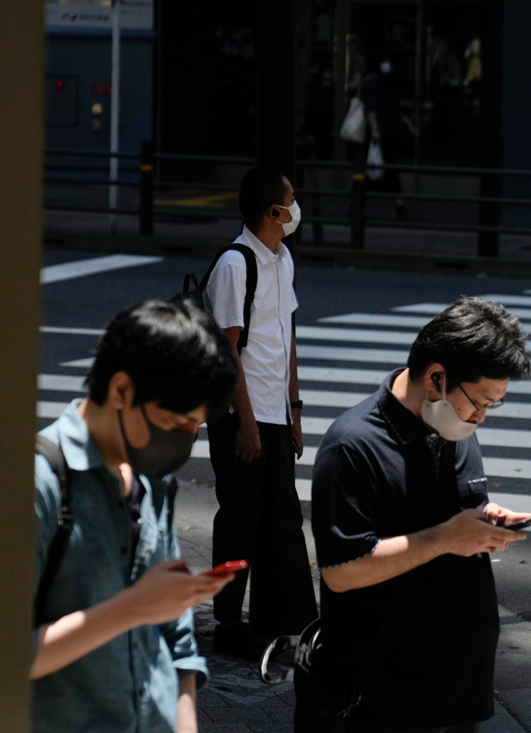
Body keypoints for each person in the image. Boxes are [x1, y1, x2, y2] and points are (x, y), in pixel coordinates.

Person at [296, 297, 531, 733]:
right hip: (387, 696)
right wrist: (445, 538)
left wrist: (486, 518)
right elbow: (340, 572)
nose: (481, 417)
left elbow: (452, 509)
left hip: (457, 691)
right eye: (480, 402)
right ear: (435, 378)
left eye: (493, 406)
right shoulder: (353, 446)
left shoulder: (452, 424)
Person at [31, 299, 239, 733]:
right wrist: (131, 608)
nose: (183, 443)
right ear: (121, 391)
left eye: (195, 428)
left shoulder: (150, 483)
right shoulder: (42, 484)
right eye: (176, 422)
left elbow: (178, 643)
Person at [204, 167, 319, 660]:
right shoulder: (235, 265)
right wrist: (246, 422)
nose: (296, 211)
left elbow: (286, 337)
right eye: (291, 203)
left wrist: (294, 409)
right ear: (274, 213)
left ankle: (290, 621)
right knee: (240, 520)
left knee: (283, 520)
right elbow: (227, 352)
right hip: (241, 417)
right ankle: (228, 623)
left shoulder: (282, 257)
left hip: (274, 409)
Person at [357, 53, 417, 220]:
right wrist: (375, 130)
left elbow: (393, 107)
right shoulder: (373, 82)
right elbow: (371, 108)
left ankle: (356, 206)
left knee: (377, 170)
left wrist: (409, 126)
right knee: (386, 170)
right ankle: (399, 206)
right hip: (382, 135)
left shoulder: (384, 83)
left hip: (387, 134)